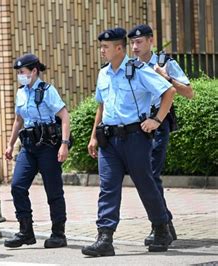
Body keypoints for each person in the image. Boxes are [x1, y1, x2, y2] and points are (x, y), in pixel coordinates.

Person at [82, 28, 176, 257]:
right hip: (109, 141)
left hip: (135, 138)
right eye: (101, 47)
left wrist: (156, 120)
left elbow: (169, 91)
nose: (102, 51)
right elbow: (101, 106)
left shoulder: (139, 70)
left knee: (145, 184)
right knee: (108, 188)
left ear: (119, 48)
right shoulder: (103, 74)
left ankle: (161, 228)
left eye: (105, 47)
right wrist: (94, 135)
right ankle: (105, 237)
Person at [127, 24, 194, 246]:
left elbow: (189, 92)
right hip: (136, 126)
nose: (135, 47)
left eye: (139, 42)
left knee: (151, 173)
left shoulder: (164, 63)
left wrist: (167, 78)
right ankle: (165, 223)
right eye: (132, 43)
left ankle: (161, 226)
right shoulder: (130, 67)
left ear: (150, 41)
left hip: (158, 122)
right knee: (144, 175)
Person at [3, 53, 71, 249]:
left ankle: (58, 233)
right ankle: (26, 232)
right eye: (18, 73)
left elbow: (64, 116)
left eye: (22, 72)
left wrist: (64, 144)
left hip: (49, 146)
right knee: (17, 186)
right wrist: (10, 144)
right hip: (28, 147)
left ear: (34, 71)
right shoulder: (21, 92)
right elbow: (19, 120)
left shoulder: (48, 91)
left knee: (53, 190)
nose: (20, 76)